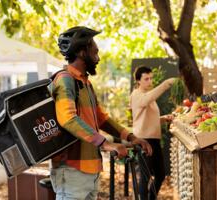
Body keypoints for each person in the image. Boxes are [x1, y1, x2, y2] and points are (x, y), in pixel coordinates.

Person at [50, 26, 152, 200]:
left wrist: (131, 137)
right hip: (72, 170)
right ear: (82, 53)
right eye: (95, 52)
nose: (98, 58)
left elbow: (102, 118)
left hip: (91, 170)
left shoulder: (85, 83)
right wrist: (106, 144)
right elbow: (68, 118)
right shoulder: (65, 79)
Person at [130, 66, 175, 200]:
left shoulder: (148, 96)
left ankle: (151, 198)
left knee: (160, 174)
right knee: (145, 177)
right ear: (138, 81)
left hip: (154, 140)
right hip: (143, 140)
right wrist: (166, 84)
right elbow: (146, 100)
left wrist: (164, 118)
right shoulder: (137, 95)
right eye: (146, 79)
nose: (150, 81)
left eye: (151, 78)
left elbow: (149, 118)